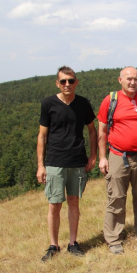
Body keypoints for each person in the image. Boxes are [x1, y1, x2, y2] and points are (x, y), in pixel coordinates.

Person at [37, 66, 97, 262]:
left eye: (71, 81)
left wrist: (93, 156)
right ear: (57, 83)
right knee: (54, 204)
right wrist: (41, 164)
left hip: (77, 161)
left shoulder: (83, 104)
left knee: (73, 202)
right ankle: (53, 245)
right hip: (54, 161)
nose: (67, 84)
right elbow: (42, 135)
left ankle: (73, 243)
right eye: (63, 81)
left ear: (76, 82)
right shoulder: (48, 103)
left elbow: (92, 130)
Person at [98, 67, 137, 255]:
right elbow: (102, 131)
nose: (132, 82)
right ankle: (114, 238)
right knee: (116, 197)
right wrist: (102, 157)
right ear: (120, 80)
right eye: (129, 79)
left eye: (136, 79)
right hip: (118, 155)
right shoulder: (111, 100)